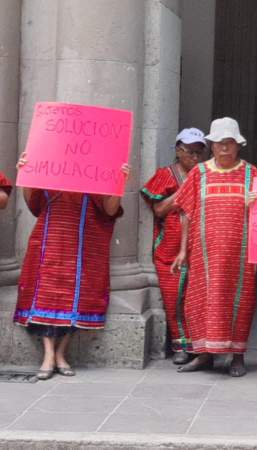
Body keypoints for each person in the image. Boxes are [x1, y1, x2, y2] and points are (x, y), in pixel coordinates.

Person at [13, 152, 128, 380]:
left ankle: (60, 353)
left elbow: (110, 209)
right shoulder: (49, 164)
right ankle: (48, 355)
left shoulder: (97, 170)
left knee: (78, 298)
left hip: (84, 245)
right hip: (49, 241)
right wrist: (25, 174)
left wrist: (120, 181)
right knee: (46, 296)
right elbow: (34, 204)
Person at [171, 117, 257, 377]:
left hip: (240, 254)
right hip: (203, 252)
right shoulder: (198, 174)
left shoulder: (251, 173)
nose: (224, 147)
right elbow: (186, 213)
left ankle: (237, 356)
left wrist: (256, 204)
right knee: (201, 301)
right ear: (211, 145)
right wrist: (182, 250)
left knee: (239, 301)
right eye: (219, 143)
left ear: (238, 145)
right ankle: (204, 355)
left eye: (229, 142)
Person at [141, 128, 206, 364]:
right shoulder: (166, 175)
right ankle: (181, 344)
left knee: (197, 295)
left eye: (200, 152)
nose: (195, 157)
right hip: (170, 245)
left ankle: (200, 344)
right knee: (173, 296)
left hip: (199, 244)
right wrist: (184, 192)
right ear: (179, 150)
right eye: (191, 152)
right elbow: (158, 209)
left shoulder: (206, 174)